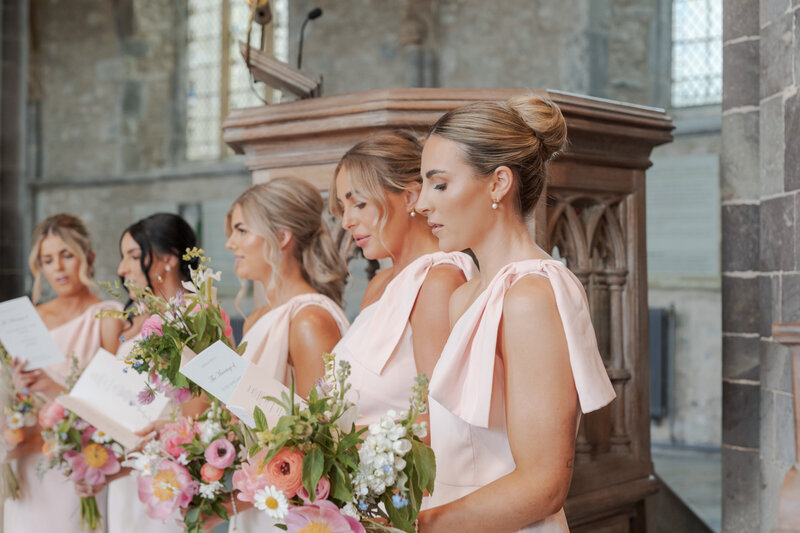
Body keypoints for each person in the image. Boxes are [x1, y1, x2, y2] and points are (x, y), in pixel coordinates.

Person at [415, 96, 616, 532]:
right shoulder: (464, 297)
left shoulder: (530, 297)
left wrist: (416, 527)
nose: (421, 204)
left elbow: (543, 485)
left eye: (439, 184)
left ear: (498, 183)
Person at [224, 178, 350, 531]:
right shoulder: (256, 319)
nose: (230, 243)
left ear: (281, 237)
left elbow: (325, 442)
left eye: (241, 230)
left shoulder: (309, 319)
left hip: (295, 513)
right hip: (257, 501)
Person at [329, 130, 476, 428]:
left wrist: (346, 445)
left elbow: (445, 423)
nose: (346, 222)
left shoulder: (439, 281)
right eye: (343, 209)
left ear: (409, 197)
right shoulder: (380, 284)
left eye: (358, 204)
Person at [4, 213, 124, 533]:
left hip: (80, 464)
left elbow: (115, 402)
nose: (57, 267)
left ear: (89, 257)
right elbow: (14, 404)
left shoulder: (108, 316)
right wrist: (18, 387)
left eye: (66, 255)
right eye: (47, 259)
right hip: (29, 460)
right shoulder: (26, 320)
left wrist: (58, 387)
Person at [106, 212, 203, 533]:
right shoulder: (131, 320)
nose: (122, 270)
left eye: (134, 256)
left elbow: (200, 419)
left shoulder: (196, 319)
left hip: (166, 478)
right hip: (123, 473)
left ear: (168, 259)